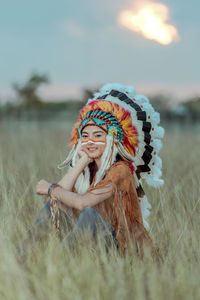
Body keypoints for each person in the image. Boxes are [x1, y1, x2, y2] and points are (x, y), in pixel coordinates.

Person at [25, 83, 164, 259]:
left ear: (112, 140)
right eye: (85, 136)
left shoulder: (120, 170)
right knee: (53, 206)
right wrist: (82, 161)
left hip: (119, 248)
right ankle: (24, 258)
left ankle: (66, 262)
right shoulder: (88, 170)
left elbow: (84, 203)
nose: (90, 141)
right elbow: (58, 196)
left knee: (90, 213)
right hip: (90, 242)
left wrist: (50, 188)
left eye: (98, 136)